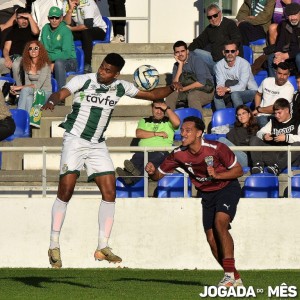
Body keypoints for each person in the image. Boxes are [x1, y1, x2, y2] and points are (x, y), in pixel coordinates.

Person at [41, 52, 181, 269]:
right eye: (102, 67)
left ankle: (102, 246)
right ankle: (54, 244)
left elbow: (153, 95)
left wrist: (172, 88)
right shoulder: (83, 79)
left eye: (107, 70)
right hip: (75, 140)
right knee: (66, 190)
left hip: (97, 144)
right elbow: (63, 92)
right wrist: (52, 99)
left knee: (110, 191)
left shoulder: (121, 87)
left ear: (116, 74)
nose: (102, 72)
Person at [145, 116, 244, 287]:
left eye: (187, 130)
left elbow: (238, 170)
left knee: (220, 222)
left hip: (227, 187)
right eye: (182, 130)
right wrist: (152, 172)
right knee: (211, 238)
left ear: (199, 133)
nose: (183, 133)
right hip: (206, 194)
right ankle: (234, 277)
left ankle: (228, 276)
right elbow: (158, 175)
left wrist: (218, 175)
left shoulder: (217, 148)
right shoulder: (178, 154)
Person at [116, 99, 180, 185]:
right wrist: (157, 134)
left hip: (161, 152)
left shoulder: (169, 122)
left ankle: (132, 176)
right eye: (156, 108)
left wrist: (167, 108)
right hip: (143, 151)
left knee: (149, 160)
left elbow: (177, 122)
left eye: (162, 109)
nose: (159, 111)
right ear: (152, 108)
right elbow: (139, 134)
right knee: (137, 157)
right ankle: (129, 176)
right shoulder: (144, 120)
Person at [188, 3, 242, 75]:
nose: (212, 19)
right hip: (214, 60)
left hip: (228, 60)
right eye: (209, 17)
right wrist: (186, 51)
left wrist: (226, 54)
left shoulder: (230, 24)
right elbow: (199, 41)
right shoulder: (209, 29)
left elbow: (236, 40)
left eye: (215, 16)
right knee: (192, 53)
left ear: (220, 14)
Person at [250, 98, 300, 175]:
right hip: (273, 154)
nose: (277, 116)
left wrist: (286, 137)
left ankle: (277, 168)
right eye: (275, 113)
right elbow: (259, 133)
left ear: (287, 110)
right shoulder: (273, 121)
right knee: (254, 139)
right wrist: (264, 136)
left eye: (279, 113)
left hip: (289, 156)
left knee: (297, 145)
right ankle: (258, 166)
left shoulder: (297, 121)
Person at [165, 40, 214, 115]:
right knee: (170, 95)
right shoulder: (176, 65)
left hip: (206, 90)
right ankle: (169, 122)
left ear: (187, 51)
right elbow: (175, 84)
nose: (180, 54)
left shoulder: (196, 60)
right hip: (187, 91)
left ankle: (198, 124)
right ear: (174, 54)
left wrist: (182, 89)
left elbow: (201, 83)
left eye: (182, 51)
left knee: (193, 96)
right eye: (177, 52)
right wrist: (180, 65)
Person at [62, 0, 107, 73]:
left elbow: (88, 25)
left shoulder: (88, 2)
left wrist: (71, 29)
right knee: (64, 34)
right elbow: (66, 23)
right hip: (80, 29)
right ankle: (67, 62)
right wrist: (70, 10)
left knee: (86, 32)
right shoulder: (66, 3)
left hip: (98, 30)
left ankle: (87, 64)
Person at [40, 6, 77, 91]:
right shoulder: (45, 28)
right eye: (51, 17)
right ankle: (38, 93)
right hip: (50, 59)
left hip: (69, 61)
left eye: (56, 18)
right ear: (48, 18)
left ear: (61, 18)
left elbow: (66, 54)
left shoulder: (65, 31)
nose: (54, 20)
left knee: (59, 62)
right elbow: (41, 48)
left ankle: (61, 93)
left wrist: (49, 59)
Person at [0, 7, 39, 85]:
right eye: (21, 18)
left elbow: (36, 32)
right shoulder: (12, 31)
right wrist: (7, 58)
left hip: (25, 58)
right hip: (11, 58)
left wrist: (29, 16)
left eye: (26, 18)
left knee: (16, 64)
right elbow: (6, 48)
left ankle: (18, 90)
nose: (24, 21)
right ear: (17, 20)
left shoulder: (31, 30)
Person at [214, 41, 258, 110]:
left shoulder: (244, 64)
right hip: (230, 90)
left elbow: (243, 86)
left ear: (237, 52)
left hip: (250, 91)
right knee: (217, 95)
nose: (230, 54)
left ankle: (240, 117)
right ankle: (223, 116)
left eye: (232, 51)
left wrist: (227, 89)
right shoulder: (219, 65)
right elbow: (220, 81)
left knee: (235, 94)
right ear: (223, 53)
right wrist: (220, 89)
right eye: (227, 51)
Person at [11, 41, 52, 115]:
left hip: (44, 92)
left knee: (26, 90)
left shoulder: (45, 65)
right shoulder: (27, 65)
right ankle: (27, 122)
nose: (33, 50)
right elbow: (27, 84)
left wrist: (20, 87)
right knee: (28, 99)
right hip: (32, 91)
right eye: (30, 48)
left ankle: (19, 116)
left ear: (40, 50)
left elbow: (38, 86)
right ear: (28, 51)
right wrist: (18, 92)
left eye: (36, 48)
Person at [253, 62, 294, 128]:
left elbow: (278, 108)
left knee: (262, 120)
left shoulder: (289, 88)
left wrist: (259, 110)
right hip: (259, 114)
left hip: (275, 116)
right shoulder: (267, 81)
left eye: (285, 74)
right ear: (275, 72)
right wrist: (257, 108)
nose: (282, 77)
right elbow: (258, 94)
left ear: (288, 75)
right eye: (279, 73)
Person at [267, 3, 300, 77]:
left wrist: (287, 55)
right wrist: (278, 54)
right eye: (290, 15)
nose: (293, 18)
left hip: (295, 54)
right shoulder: (285, 24)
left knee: (299, 57)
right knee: (271, 58)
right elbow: (280, 42)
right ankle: (273, 83)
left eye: (295, 14)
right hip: (288, 54)